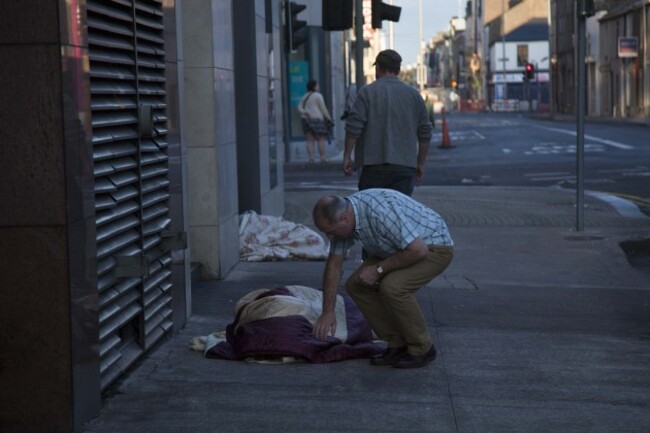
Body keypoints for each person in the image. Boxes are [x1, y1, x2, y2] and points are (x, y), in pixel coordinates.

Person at [311, 189, 454, 369]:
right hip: (398, 248)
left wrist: (378, 269)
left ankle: (422, 348)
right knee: (356, 285)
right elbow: (333, 266)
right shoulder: (343, 220)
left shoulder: (378, 212)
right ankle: (397, 344)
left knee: (393, 287)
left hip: (433, 246)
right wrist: (327, 312)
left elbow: (418, 250)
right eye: (325, 232)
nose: (329, 237)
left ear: (344, 219)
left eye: (330, 232)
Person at [343, 49, 433, 196]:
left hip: (372, 165)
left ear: (378, 67)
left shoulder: (367, 93)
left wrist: (347, 156)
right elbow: (425, 132)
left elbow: (354, 127)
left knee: (372, 211)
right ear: (398, 69)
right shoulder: (413, 95)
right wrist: (420, 162)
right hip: (404, 166)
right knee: (399, 212)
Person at [298, 79, 333, 163]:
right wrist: (328, 118)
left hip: (306, 120)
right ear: (314, 86)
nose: (318, 87)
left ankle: (311, 158)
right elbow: (323, 108)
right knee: (320, 139)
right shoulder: (318, 96)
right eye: (317, 85)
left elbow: (299, 107)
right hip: (317, 120)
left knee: (310, 139)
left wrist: (305, 112)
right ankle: (322, 158)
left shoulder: (305, 96)